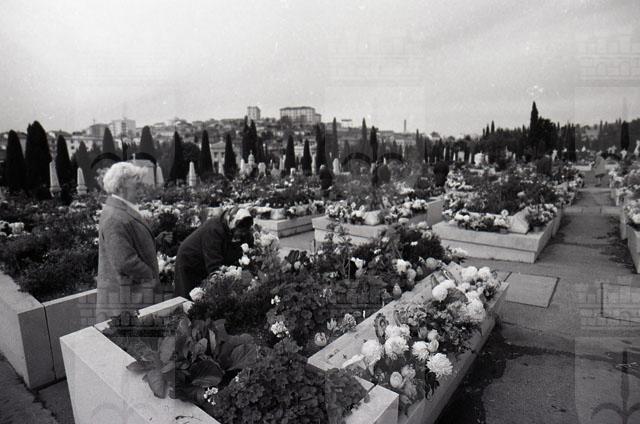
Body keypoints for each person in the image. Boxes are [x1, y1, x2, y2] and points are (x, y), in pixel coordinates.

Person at [96, 162, 163, 322]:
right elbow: (125, 261)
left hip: (132, 297)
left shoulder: (121, 209)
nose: (140, 186)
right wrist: (150, 276)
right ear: (120, 186)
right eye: (135, 182)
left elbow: (130, 244)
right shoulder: (115, 216)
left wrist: (156, 241)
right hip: (128, 302)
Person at [174, 207, 254, 298]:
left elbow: (248, 251)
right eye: (239, 232)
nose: (242, 235)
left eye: (244, 232)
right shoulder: (214, 229)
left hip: (205, 260)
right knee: (189, 296)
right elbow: (214, 265)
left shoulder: (244, 228)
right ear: (231, 225)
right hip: (190, 261)